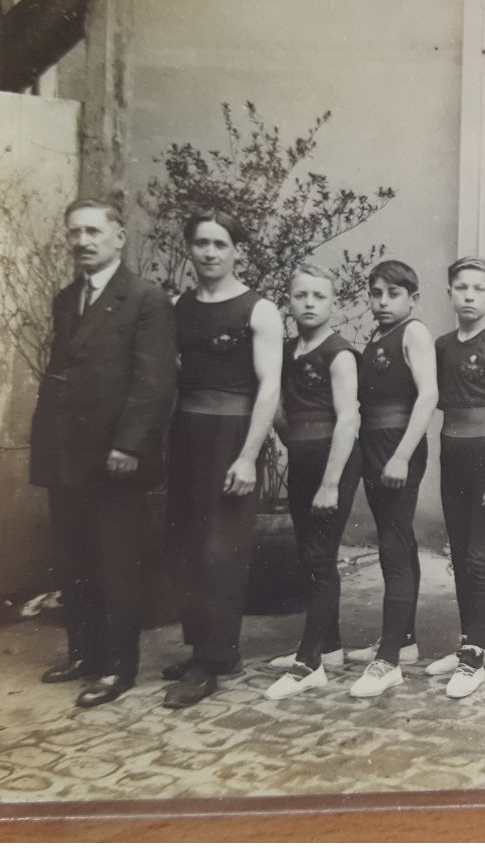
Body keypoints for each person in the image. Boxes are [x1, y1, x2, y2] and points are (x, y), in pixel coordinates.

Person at [29, 199, 176, 708]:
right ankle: (85, 654)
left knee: (116, 563)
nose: (83, 241)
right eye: (75, 233)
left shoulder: (145, 298)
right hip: (67, 455)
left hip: (116, 456)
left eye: (94, 231)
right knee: (75, 558)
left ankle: (118, 668)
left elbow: (154, 382)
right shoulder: (67, 299)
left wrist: (128, 444)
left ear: (119, 237)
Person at [161, 209, 283, 709]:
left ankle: (212, 660)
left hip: (233, 435)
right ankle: (207, 649)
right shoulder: (178, 308)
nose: (210, 252)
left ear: (236, 251)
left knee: (221, 548)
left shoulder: (259, 310)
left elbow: (269, 387)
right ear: (189, 249)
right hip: (187, 433)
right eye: (201, 243)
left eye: (220, 244)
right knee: (188, 544)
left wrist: (249, 456)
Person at [423, 257, 485, 699]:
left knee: (481, 559)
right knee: (461, 557)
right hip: (454, 456)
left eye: (478, 288)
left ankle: (475, 656)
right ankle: (468, 641)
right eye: (461, 287)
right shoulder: (442, 345)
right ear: (449, 292)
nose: (468, 295)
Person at [262, 263, 364, 700]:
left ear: (332, 303)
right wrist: (292, 441)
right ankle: (330, 644)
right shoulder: (286, 351)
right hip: (304, 457)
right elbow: (279, 407)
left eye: (318, 297)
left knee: (321, 556)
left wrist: (330, 482)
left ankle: (309, 664)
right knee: (308, 554)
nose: (309, 303)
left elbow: (348, 420)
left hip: (333, 461)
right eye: (301, 296)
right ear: (289, 301)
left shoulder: (338, 353)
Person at [347, 260, 439, 698]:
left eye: (393, 294)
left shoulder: (414, 332)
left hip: (398, 446)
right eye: (376, 293)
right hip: (375, 445)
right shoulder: (378, 336)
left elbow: (428, 396)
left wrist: (402, 455)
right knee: (395, 539)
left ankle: (388, 661)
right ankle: (403, 640)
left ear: (412, 298)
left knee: (394, 547)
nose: (383, 302)